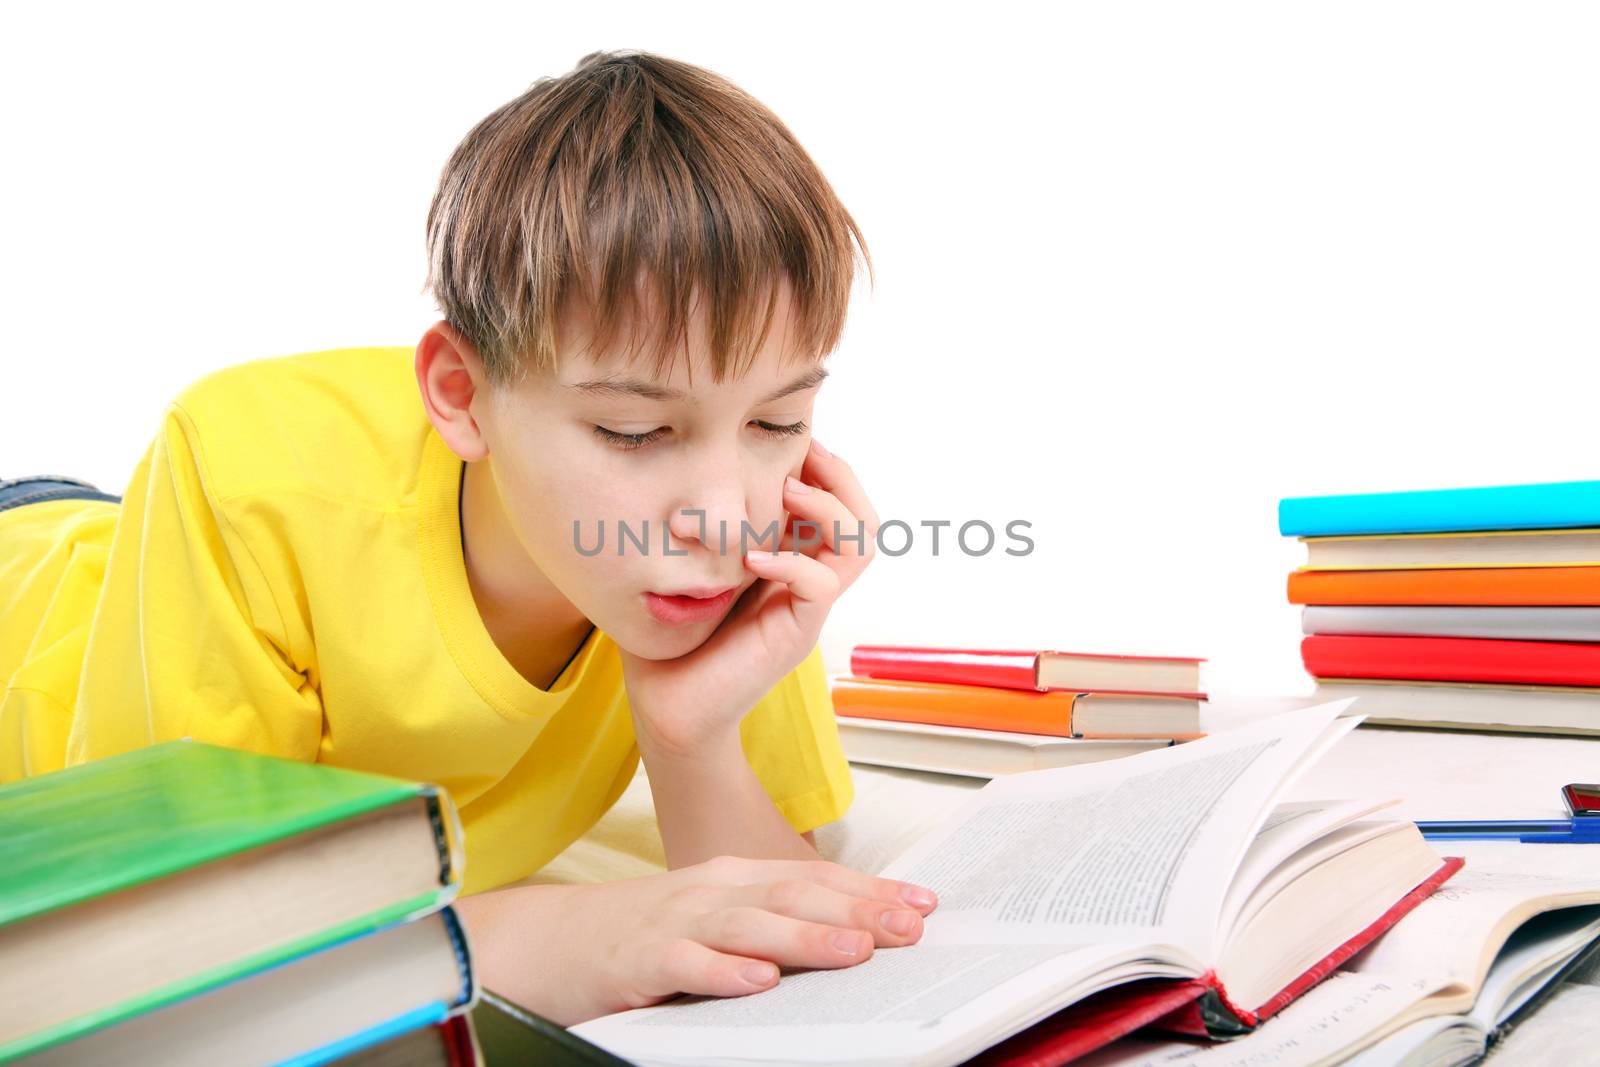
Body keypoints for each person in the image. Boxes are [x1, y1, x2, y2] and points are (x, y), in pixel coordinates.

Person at [0, 49, 937, 1025]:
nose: (725, 514)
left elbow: (778, 903)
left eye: (777, 421)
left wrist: (688, 733)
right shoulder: (250, 470)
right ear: (461, 393)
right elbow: (177, 938)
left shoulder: (737, 544)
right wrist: (543, 935)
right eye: (632, 430)